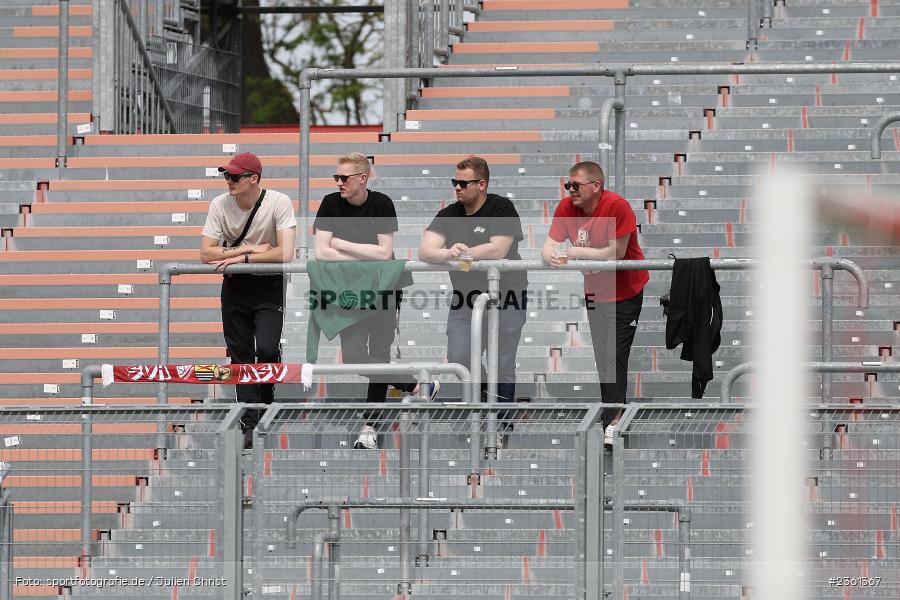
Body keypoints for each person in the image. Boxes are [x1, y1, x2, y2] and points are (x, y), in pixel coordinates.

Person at [313, 152, 439, 449]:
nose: (339, 183)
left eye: (344, 178)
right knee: (355, 356)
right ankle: (416, 383)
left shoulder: (381, 202)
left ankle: (369, 429)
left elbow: (384, 253)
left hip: (384, 288)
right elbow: (321, 252)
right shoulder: (331, 203)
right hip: (348, 292)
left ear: (362, 178)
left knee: (380, 358)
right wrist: (361, 253)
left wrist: (340, 244)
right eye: (336, 178)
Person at [540, 161, 648, 446]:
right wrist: (550, 254)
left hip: (625, 291)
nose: (570, 190)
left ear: (596, 186)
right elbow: (548, 244)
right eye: (568, 185)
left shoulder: (617, 206)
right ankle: (613, 416)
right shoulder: (566, 208)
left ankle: (612, 421)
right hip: (595, 292)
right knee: (604, 356)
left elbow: (617, 251)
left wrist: (574, 251)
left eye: (576, 185)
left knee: (614, 354)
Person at [419, 157, 528, 422]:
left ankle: (501, 425)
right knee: (459, 356)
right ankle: (483, 408)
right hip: (465, 300)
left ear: (481, 184)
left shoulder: (501, 206)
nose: (457, 187)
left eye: (462, 183)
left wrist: (465, 253)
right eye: (454, 182)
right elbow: (425, 250)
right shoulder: (449, 214)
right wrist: (448, 253)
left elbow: (498, 248)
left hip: (507, 296)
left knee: (502, 363)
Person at [200, 152, 297, 446]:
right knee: (241, 355)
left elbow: (285, 252)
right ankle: (250, 423)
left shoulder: (278, 202)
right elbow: (206, 253)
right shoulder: (219, 204)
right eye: (226, 176)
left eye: (235, 176)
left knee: (266, 350)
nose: (228, 181)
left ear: (253, 178)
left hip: (268, 285)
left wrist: (240, 255)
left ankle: (265, 405)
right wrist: (251, 252)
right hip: (235, 285)